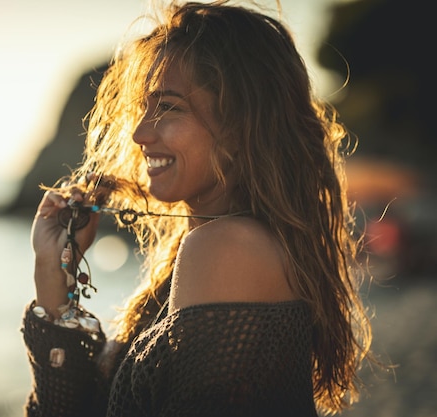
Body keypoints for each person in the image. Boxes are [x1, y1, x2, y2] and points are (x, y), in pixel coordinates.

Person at [23, 1, 375, 416]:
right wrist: (54, 281)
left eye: (169, 107)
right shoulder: (206, 246)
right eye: (144, 107)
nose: (139, 132)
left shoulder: (227, 248)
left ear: (243, 124)